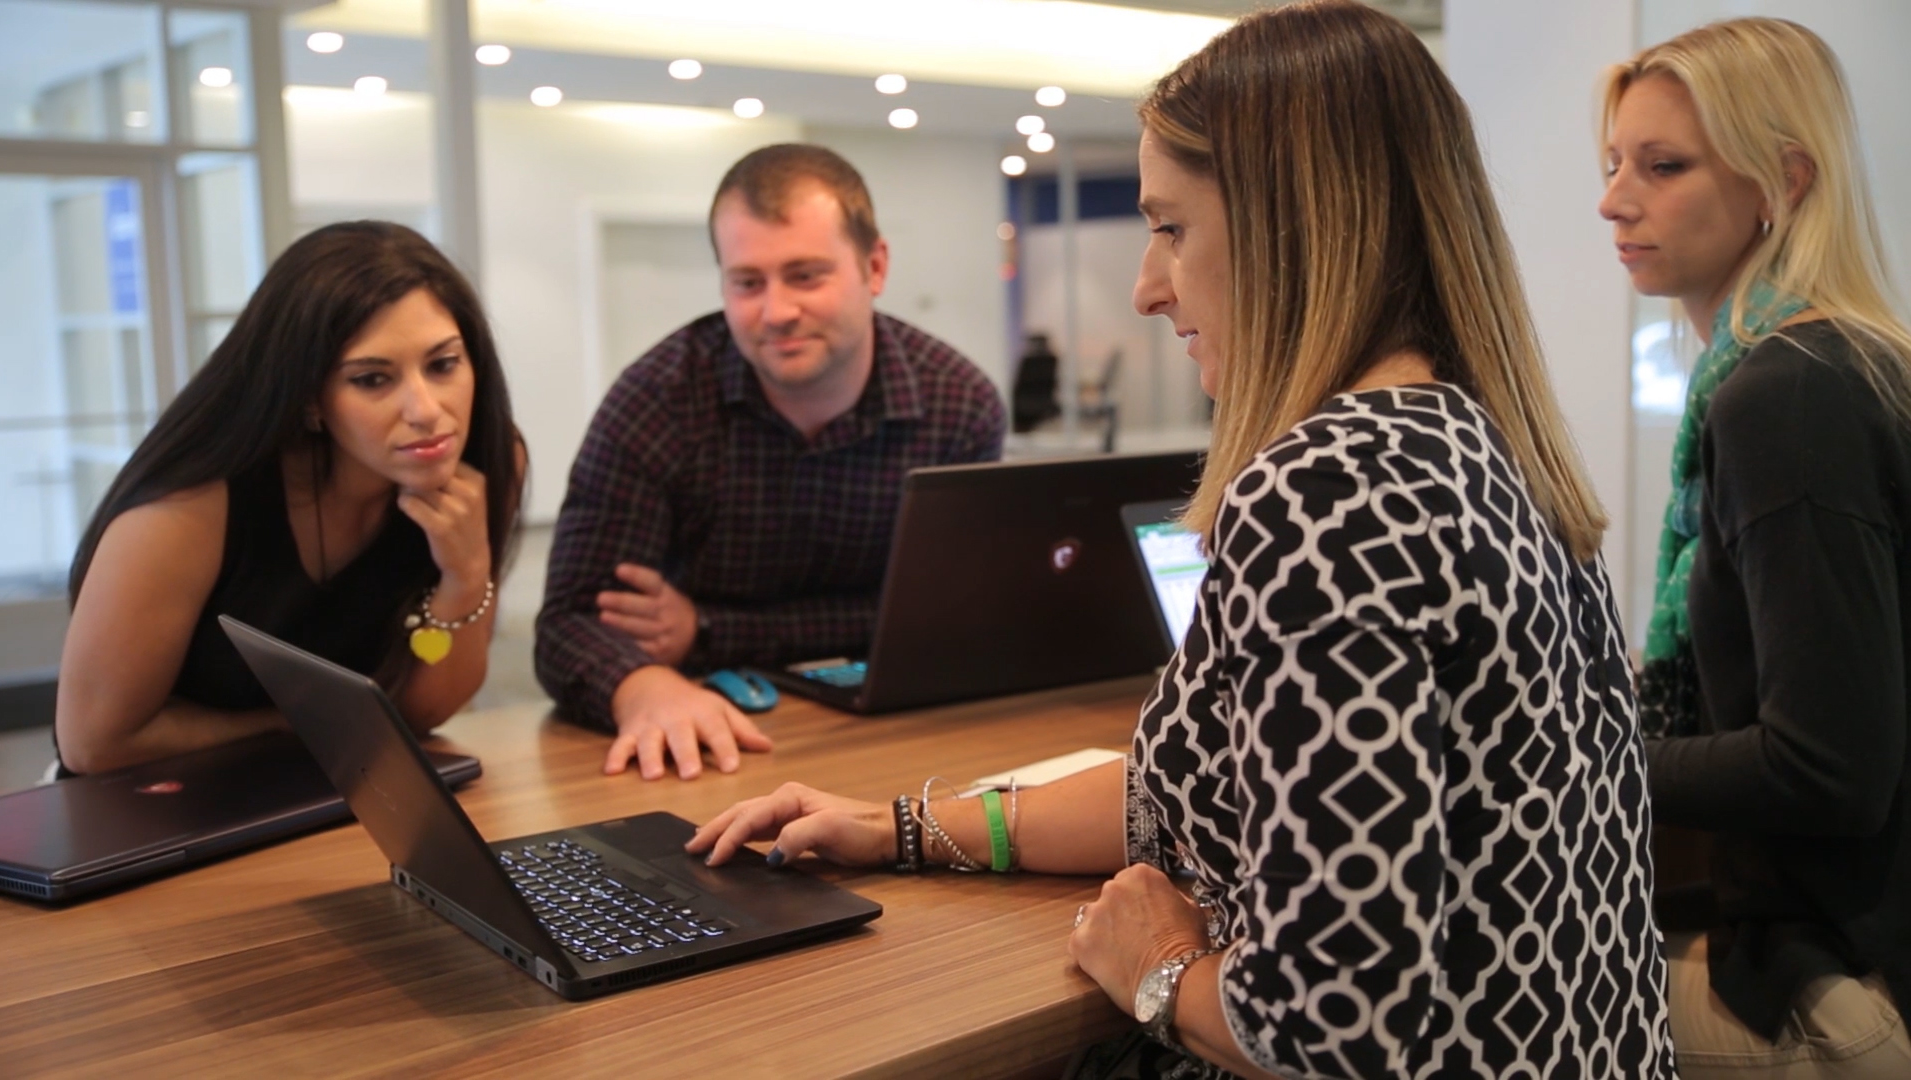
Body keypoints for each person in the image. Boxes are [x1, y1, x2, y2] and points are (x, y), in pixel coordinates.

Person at [686, 3, 1674, 1077]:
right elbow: (1192, 790)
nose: (1147, 288)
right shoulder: (1488, 440)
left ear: (1291, 222)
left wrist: (1156, 962)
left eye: (1170, 229)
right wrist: (903, 827)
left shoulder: (1329, 489)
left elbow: (1327, 1034)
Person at [1602, 18, 1911, 1077]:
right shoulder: (1838, 365)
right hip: (1841, 950)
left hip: (1846, 995)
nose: (1613, 201)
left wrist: (1579, 761)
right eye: (1613, 165)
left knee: (1415, 1012)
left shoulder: (1787, 398)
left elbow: (1828, 767)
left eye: (1663, 166)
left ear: (1781, 179)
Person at [534, 144, 1005, 781]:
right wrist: (643, 683)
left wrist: (704, 628)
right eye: (747, 282)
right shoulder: (657, 401)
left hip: (896, 737)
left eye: (806, 275)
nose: (776, 312)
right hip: (701, 741)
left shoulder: (958, 405)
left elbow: (943, 619)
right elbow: (569, 622)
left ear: (875, 266)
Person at [55, 222, 524, 776]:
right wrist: (297, 723)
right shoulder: (192, 507)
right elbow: (95, 746)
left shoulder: (487, 464)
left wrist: (465, 578)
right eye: (373, 380)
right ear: (308, 400)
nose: (425, 410)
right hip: (159, 806)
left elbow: (421, 714)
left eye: (443, 365)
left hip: (339, 791)